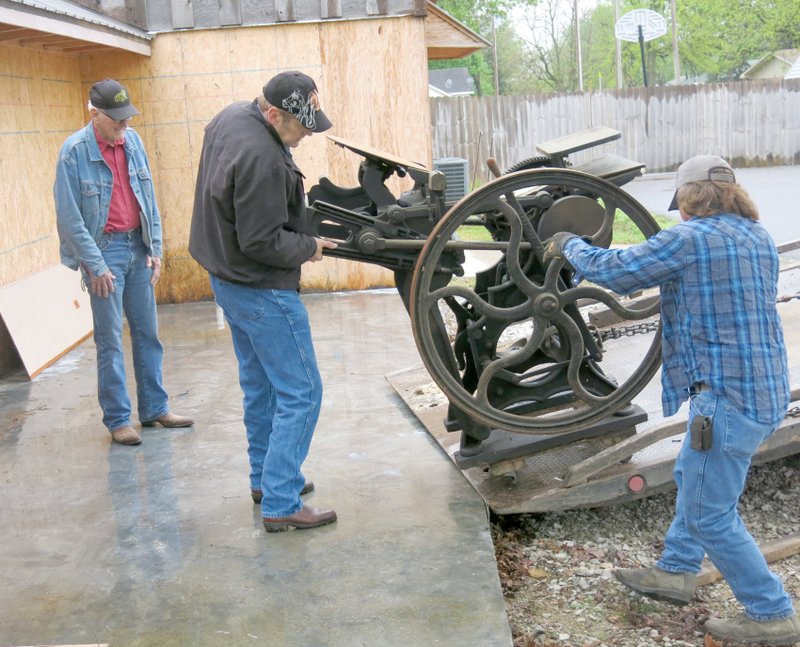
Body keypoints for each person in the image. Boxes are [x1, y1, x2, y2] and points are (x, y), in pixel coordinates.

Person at [544, 155, 799, 646]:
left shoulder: (690, 240)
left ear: (689, 198)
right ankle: (677, 571)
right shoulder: (756, 237)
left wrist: (566, 245)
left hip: (725, 397)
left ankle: (773, 613)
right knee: (693, 475)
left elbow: (618, 271)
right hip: (763, 390)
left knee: (710, 513)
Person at [189, 71, 338, 533]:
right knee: (303, 392)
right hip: (260, 287)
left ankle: (265, 479)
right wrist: (310, 247)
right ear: (273, 113)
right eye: (301, 126)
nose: (307, 134)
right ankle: (280, 501)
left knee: (262, 387)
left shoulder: (231, 116)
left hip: (226, 279)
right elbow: (262, 241)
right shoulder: (263, 158)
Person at [54, 79, 194, 446]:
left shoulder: (133, 142)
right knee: (110, 340)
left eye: (127, 117)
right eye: (116, 119)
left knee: (149, 333)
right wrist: (95, 266)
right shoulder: (74, 152)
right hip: (105, 252)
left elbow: (148, 197)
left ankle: (155, 408)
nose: (124, 125)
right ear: (94, 113)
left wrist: (157, 248)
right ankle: (118, 420)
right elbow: (69, 219)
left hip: (138, 246)